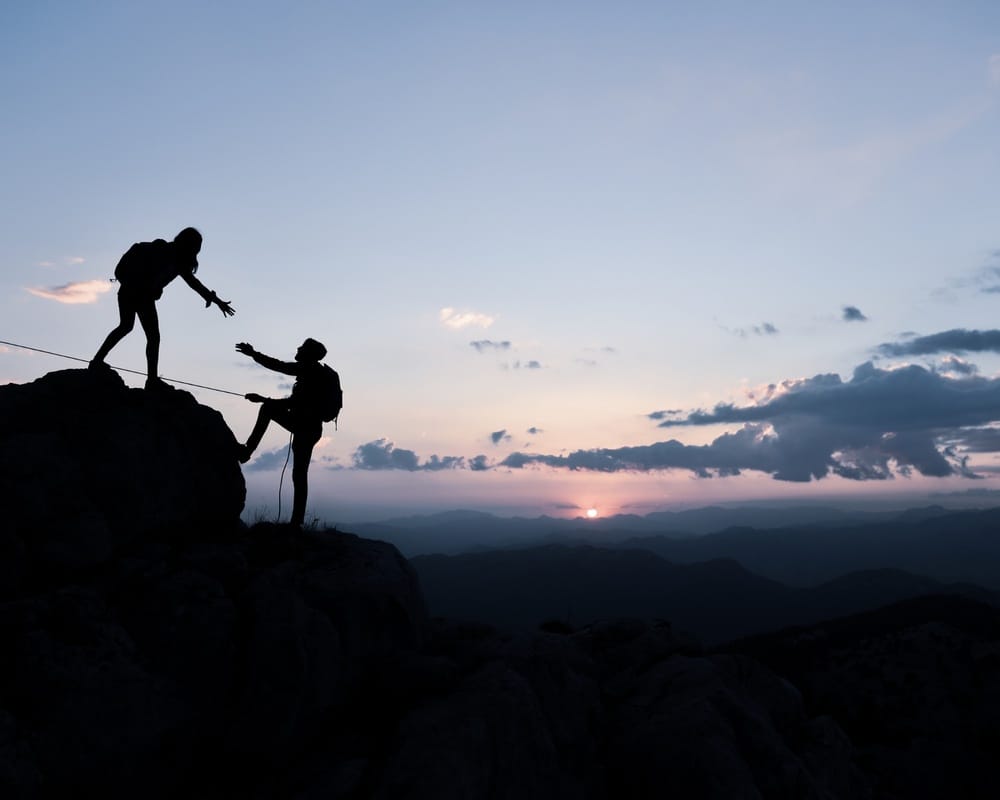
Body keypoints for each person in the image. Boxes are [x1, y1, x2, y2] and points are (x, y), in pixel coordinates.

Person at [91, 227, 235, 389]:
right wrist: (216, 301)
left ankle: (97, 361)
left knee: (126, 326)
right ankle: (151, 380)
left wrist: (216, 300)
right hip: (141, 295)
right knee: (151, 336)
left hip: (128, 292)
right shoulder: (171, 256)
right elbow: (194, 283)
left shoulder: (173, 257)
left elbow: (194, 283)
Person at [236, 338, 332, 528]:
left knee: (299, 473)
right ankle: (297, 522)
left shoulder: (309, 371)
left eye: (302, 347)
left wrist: (264, 398)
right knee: (299, 474)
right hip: (309, 427)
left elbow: (292, 397)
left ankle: (247, 451)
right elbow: (281, 370)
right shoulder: (312, 371)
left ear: (308, 354)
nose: (298, 348)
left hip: (305, 427)